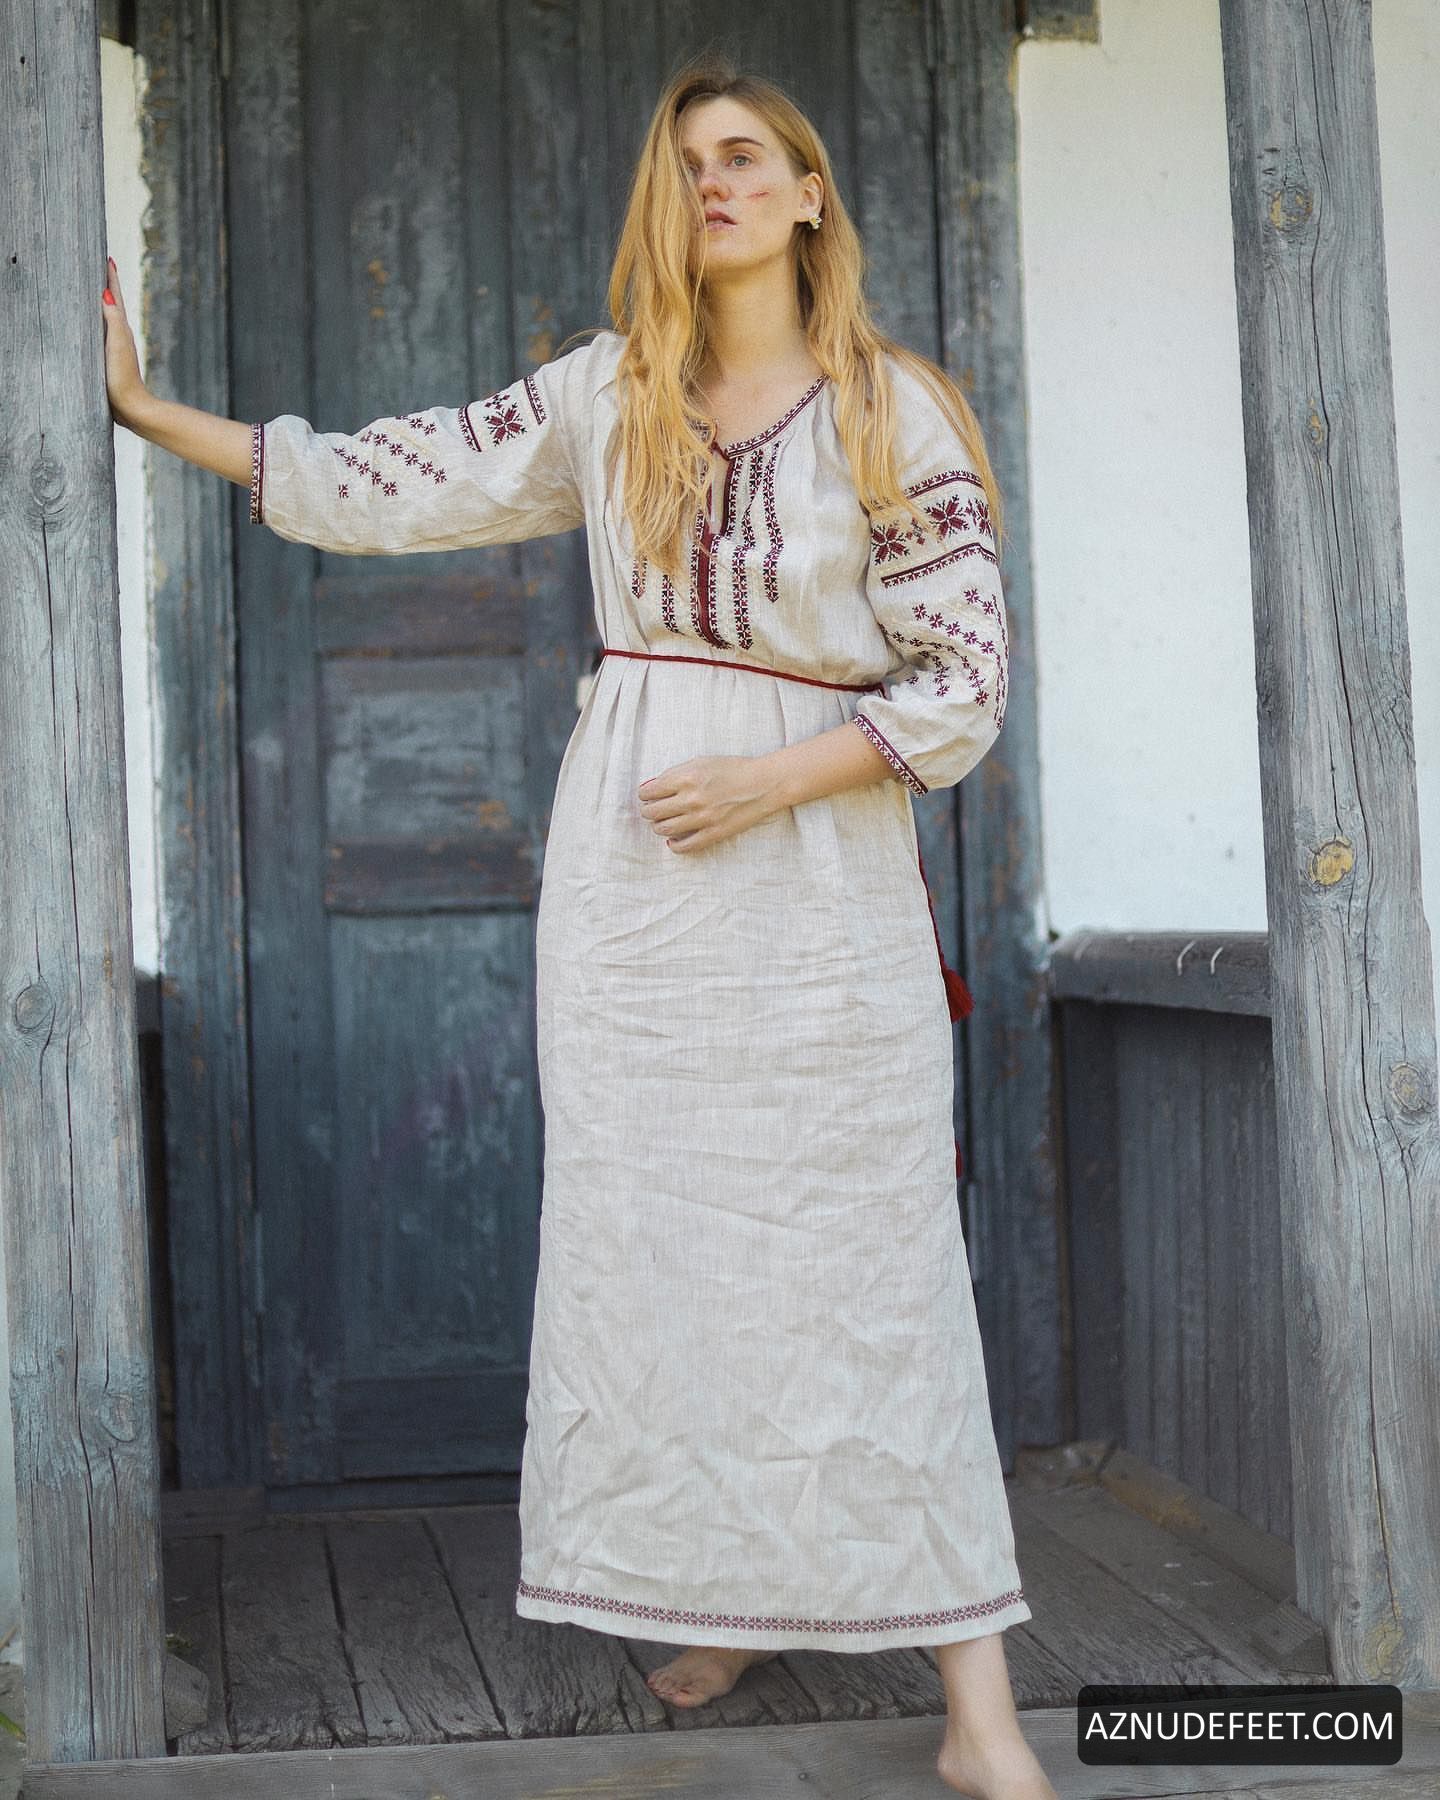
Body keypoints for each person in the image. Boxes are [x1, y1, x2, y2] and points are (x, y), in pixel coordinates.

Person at [104, 49, 1054, 1800]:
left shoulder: (890, 410)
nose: (715, 183)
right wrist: (159, 415)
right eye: (688, 162)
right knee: (661, 1250)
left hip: (819, 886)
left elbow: (965, 685)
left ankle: (976, 1711)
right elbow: (396, 478)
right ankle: (727, 1598)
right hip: (638, 902)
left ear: (809, 194)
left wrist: (769, 782)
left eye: (747, 156)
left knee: (865, 1264)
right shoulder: (610, 395)